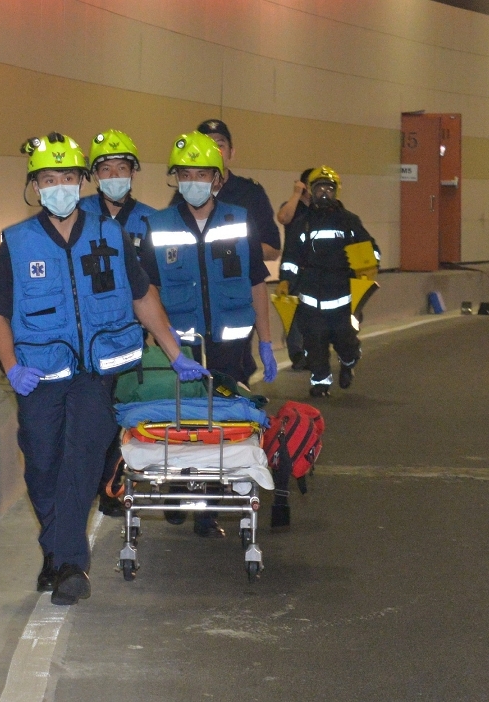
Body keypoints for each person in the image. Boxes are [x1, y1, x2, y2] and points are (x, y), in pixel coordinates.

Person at [0, 132, 206, 606]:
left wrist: (174, 351)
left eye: (67, 177)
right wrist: (10, 368)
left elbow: (142, 295)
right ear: (35, 186)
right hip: (40, 374)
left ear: (81, 181)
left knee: (81, 462)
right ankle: (56, 551)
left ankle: (70, 565)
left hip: (97, 372)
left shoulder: (112, 235)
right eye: (49, 179)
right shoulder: (17, 243)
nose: (59, 187)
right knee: (42, 466)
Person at [139, 131, 279, 538]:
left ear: (218, 179)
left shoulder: (239, 221)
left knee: (221, 428)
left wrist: (266, 341)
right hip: (181, 349)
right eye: (186, 174)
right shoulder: (158, 225)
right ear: (175, 178)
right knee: (184, 426)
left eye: (202, 173)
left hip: (230, 347)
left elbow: (256, 284)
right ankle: (183, 490)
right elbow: (147, 290)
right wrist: (164, 345)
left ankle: (208, 508)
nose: (194, 182)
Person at [78, 129, 162, 517]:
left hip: (135, 333)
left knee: (126, 411)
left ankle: (112, 488)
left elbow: (158, 282)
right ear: (95, 175)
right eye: (106, 168)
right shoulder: (78, 218)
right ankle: (91, 483)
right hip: (92, 338)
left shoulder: (151, 221)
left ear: (133, 172)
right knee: (94, 415)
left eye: (121, 167)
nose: (114, 175)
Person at [278, 166, 380, 397]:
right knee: (314, 343)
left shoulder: (349, 221)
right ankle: (320, 382)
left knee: (345, 341)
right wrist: (285, 280)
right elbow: (291, 256)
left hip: (342, 296)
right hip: (310, 294)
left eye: (329, 188)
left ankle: (349, 361)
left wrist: (368, 266)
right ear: (311, 192)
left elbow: (371, 250)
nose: (324, 193)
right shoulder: (303, 223)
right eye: (319, 188)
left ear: (336, 191)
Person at [171, 119, 282, 262]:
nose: (214, 150)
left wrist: (234, 250)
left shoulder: (251, 193)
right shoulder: (184, 194)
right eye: (206, 144)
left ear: (231, 153)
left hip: (237, 281)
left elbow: (273, 249)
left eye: (220, 145)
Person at [277, 168, 315, 370]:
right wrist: (296, 194)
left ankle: (312, 352)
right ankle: (297, 354)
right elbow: (283, 218)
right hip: (293, 269)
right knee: (294, 313)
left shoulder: (322, 208)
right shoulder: (293, 206)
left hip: (315, 268)